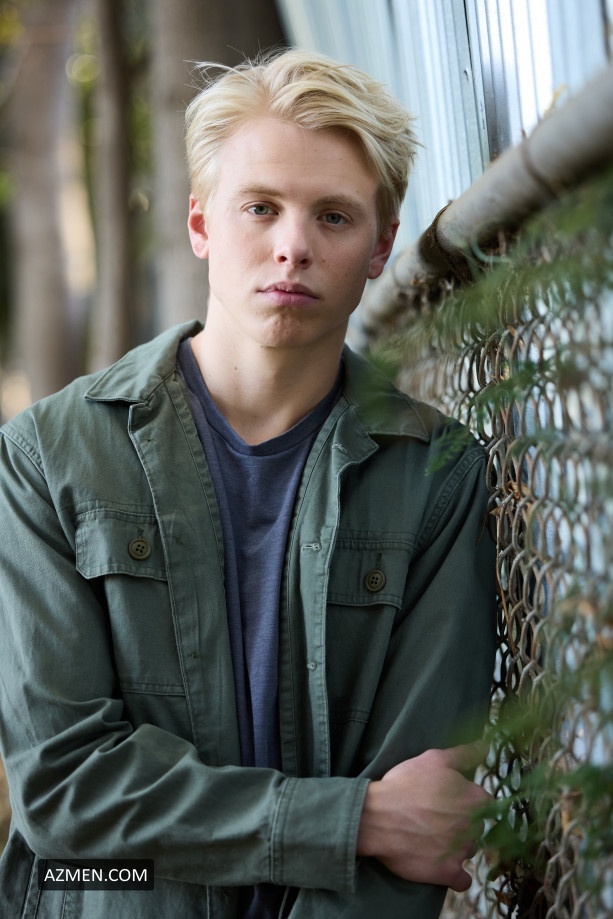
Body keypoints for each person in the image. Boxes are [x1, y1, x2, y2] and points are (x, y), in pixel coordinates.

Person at [0, 49, 497, 918]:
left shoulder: (435, 474)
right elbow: (67, 792)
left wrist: (375, 827)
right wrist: (348, 820)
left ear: (380, 247)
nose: (292, 246)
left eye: (333, 216)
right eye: (259, 207)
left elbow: (419, 818)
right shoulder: (49, 455)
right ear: (200, 222)